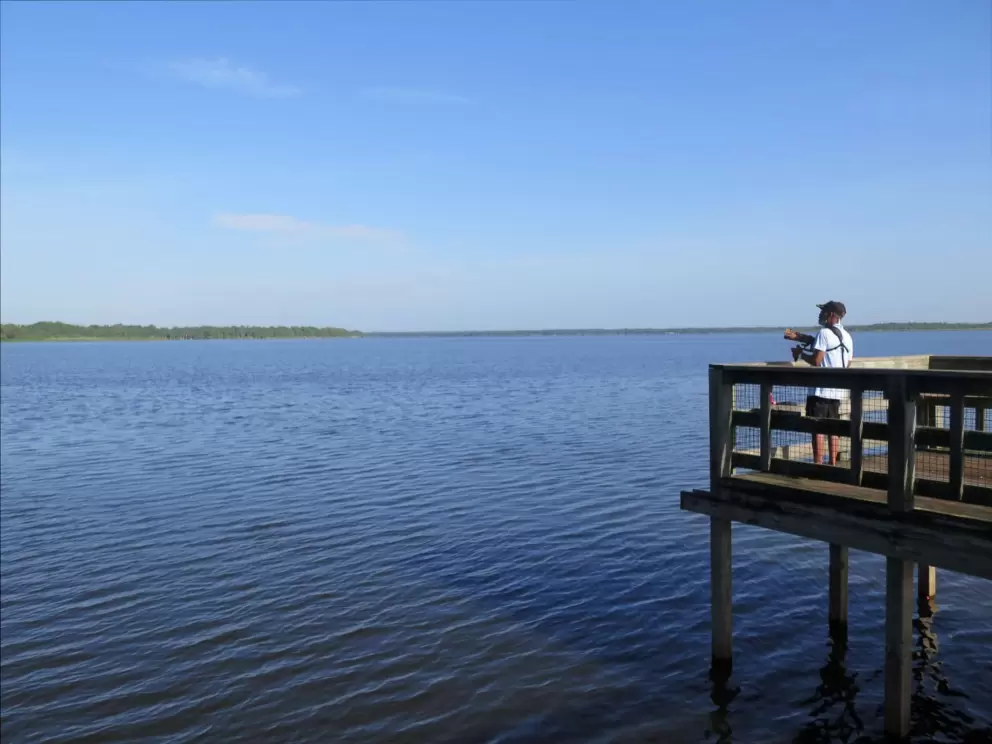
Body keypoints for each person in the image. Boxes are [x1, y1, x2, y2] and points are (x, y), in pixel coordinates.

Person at [783, 302, 854, 465]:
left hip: (820, 390)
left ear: (830, 315)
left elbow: (816, 360)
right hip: (838, 391)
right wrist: (799, 337)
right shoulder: (847, 337)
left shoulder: (824, 333)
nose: (820, 315)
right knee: (833, 429)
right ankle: (833, 464)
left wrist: (800, 354)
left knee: (817, 429)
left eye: (823, 311)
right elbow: (848, 363)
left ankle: (818, 465)